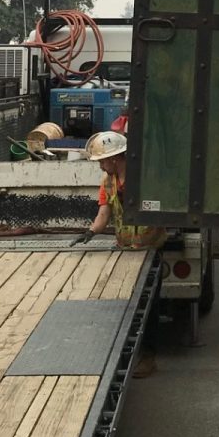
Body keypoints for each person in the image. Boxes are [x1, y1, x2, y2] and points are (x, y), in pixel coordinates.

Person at [72, 129, 166, 376]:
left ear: (115, 159)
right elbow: (104, 214)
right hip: (125, 250)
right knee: (128, 307)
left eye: (103, 161)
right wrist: (91, 232)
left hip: (149, 248)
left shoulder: (146, 179)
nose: (101, 166)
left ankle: (148, 358)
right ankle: (125, 355)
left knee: (149, 307)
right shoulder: (108, 182)